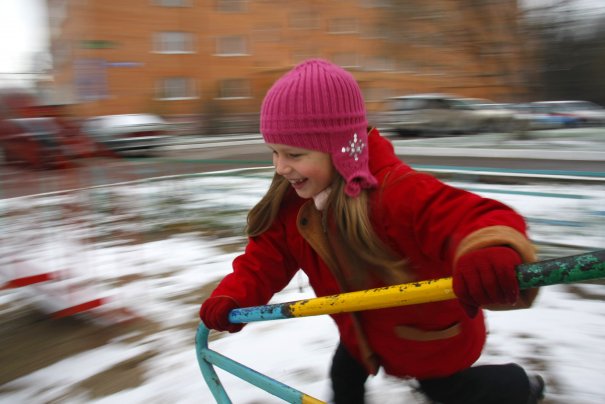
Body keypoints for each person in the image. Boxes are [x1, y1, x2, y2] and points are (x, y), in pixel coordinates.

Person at [199, 58, 545, 404]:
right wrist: (234, 295)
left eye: (294, 153)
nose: (280, 166)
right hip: (361, 331)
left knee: (447, 390)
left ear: (339, 149)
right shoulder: (292, 206)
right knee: (344, 379)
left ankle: (519, 386)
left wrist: (487, 250)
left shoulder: (396, 192)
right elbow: (264, 260)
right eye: (273, 151)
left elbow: (472, 216)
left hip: (426, 334)